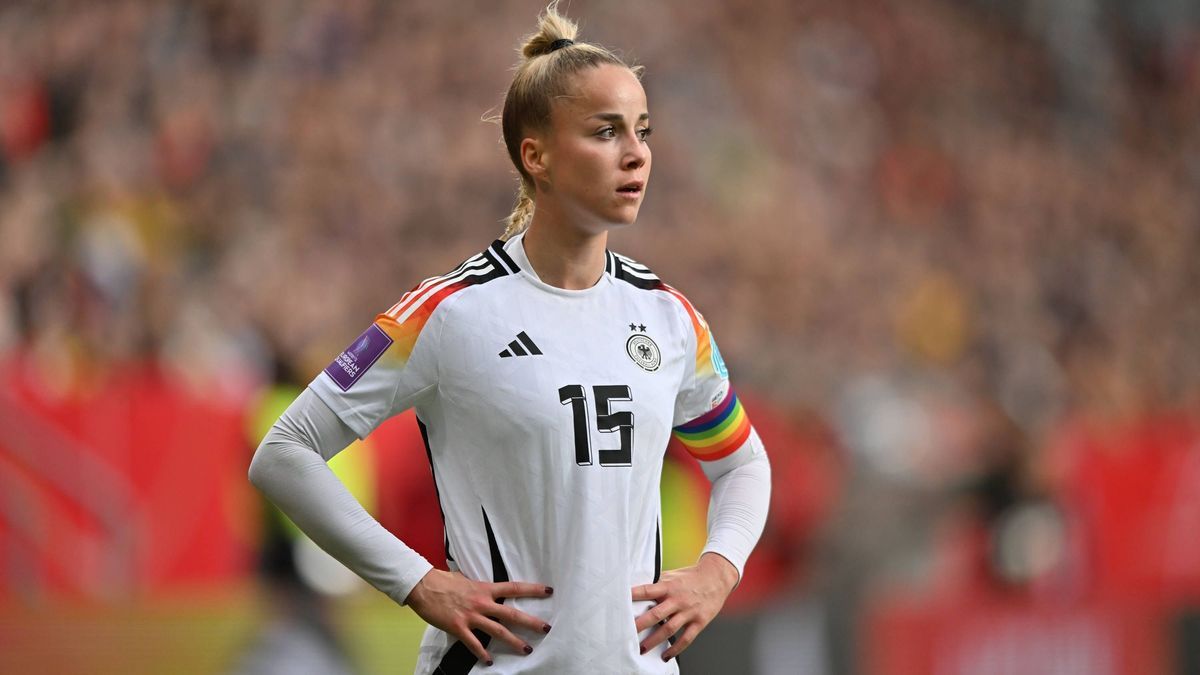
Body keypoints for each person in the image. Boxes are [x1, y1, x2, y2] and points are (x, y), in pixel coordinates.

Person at [248, 5, 771, 673]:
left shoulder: (669, 317)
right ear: (537, 155)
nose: (636, 152)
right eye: (606, 132)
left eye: (642, 130)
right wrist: (415, 580)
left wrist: (718, 570)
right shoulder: (449, 311)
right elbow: (285, 451)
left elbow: (742, 462)